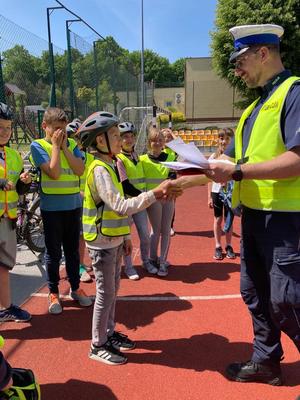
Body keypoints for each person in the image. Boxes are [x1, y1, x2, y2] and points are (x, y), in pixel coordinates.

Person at [196, 24, 300, 385]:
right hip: (255, 217)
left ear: (263, 53)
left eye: (240, 61)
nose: (236, 70)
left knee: (288, 301)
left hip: (286, 220)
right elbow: (221, 165)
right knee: (254, 292)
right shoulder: (253, 109)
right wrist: (175, 179)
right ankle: (266, 360)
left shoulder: (293, 93)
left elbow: (297, 159)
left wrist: (237, 171)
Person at [79, 111, 181, 365]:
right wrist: (155, 194)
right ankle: (97, 344)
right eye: (114, 135)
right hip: (101, 243)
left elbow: (117, 209)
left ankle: (109, 334)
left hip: (113, 239)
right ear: (100, 141)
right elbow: (120, 205)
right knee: (105, 294)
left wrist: (125, 234)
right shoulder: (100, 169)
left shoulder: (112, 164)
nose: (119, 139)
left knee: (113, 292)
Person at [30, 107, 92, 315]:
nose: (61, 133)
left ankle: (75, 288)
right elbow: (55, 173)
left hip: (73, 207)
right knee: (54, 253)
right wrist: (56, 147)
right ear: (44, 127)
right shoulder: (37, 146)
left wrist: (65, 147)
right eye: (56, 129)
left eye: (63, 129)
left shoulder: (72, 144)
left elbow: (79, 169)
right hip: (52, 210)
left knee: (73, 252)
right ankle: (54, 291)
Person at [0, 102, 32, 323]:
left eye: (9, 127)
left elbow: (19, 190)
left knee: (4, 266)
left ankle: (6, 308)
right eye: (0, 127)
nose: (5, 131)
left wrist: (24, 183)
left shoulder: (13, 155)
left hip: (8, 219)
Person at [116, 121, 156, 280]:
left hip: (139, 203)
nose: (129, 139)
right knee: (126, 238)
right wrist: (145, 195)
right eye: (125, 136)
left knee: (145, 235)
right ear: (119, 140)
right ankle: (129, 267)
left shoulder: (136, 155)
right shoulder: (118, 159)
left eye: (131, 136)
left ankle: (145, 261)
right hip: (127, 204)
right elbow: (125, 186)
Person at [140, 126, 177, 276]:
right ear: (149, 142)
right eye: (154, 140)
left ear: (164, 143)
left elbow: (173, 178)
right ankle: (153, 258)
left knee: (166, 230)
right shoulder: (142, 160)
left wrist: (171, 192)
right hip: (153, 199)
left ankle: (163, 262)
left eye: (160, 140)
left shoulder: (170, 157)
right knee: (156, 230)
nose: (157, 143)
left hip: (168, 199)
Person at [66, 119, 93, 283]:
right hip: (70, 203)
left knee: (83, 236)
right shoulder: (64, 157)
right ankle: (78, 266)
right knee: (76, 237)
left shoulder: (89, 158)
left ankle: (80, 263)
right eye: (72, 138)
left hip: (86, 203)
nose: (76, 142)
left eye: (79, 138)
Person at [208, 128, 236, 260]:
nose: (223, 141)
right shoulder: (213, 157)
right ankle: (218, 246)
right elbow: (208, 179)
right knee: (218, 219)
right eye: (221, 138)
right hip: (216, 192)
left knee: (229, 221)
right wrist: (209, 197)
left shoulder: (235, 157)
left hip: (231, 194)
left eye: (227, 138)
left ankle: (229, 245)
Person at [161, 127, 177, 236]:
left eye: (169, 137)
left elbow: (180, 144)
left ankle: (170, 226)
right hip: (160, 178)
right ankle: (160, 225)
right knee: (160, 203)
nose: (167, 139)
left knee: (171, 203)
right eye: (165, 137)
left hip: (172, 178)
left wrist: (171, 132)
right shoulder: (158, 150)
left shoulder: (174, 151)